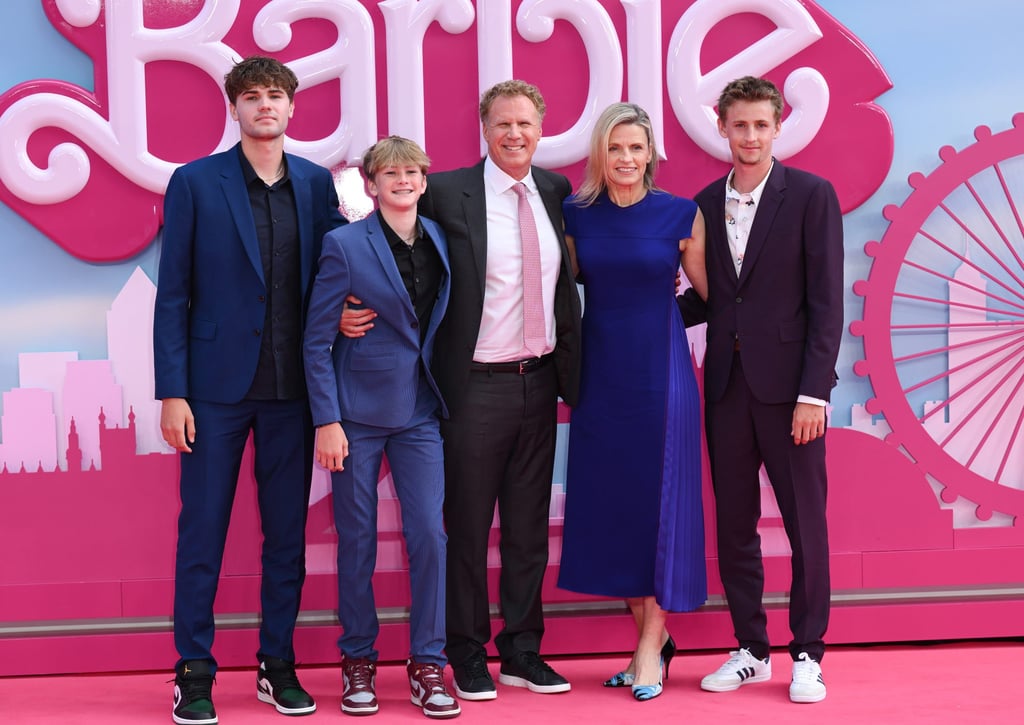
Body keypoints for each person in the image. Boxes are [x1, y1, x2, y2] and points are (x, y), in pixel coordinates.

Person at [342, 80, 582, 701]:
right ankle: (467, 653)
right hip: (472, 386)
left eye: (524, 124)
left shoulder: (556, 190)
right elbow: (375, 232)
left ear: (540, 129)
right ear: (484, 128)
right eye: (502, 123)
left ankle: (522, 651)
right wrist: (340, 300)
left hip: (540, 380)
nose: (514, 134)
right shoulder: (446, 190)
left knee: (528, 528)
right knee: (467, 529)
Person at [154, 55, 346, 725]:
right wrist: (172, 390)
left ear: (292, 107)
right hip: (212, 393)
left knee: (286, 538)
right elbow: (173, 293)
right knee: (201, 534)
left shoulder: (316, 184)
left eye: (275, 95)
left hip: (293, 392)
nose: (265, 105)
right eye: (253, 96)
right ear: (234, 108)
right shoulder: (194, 182)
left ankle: (276, 664)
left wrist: (351, 312)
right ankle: (194, 671)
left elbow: (336, 271)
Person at [693, 76, 843, 704]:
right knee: (735, 528)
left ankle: (808, 653)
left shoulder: (811, 195)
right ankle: (751, 650)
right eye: (740, 125)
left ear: (778, 127)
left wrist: (815, 393)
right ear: (722, 128)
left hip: (791, 395)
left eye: (761, 125)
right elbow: (709, 299)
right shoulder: (703, 202)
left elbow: (826, 303)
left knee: (806, 526)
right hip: (726, 390)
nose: (750, 136)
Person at [302, 136, 460, 719]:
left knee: (430, 537)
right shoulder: (344, 245)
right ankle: (358, 659)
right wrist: (328, 420)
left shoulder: (439, 237)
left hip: (420, 410)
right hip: (357, 417)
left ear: (424, 180)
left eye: (412, 171)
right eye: (390, 173)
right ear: (371, 184)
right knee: (358, 542)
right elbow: (316, 341)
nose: (402, 180)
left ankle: (428, 662)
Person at [556, 102, 708, 702]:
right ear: (600, 153)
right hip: (601, 377)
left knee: (659, 503)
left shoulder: (680, 214)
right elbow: (564, 290)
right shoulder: (575, 215)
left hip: (661, 374)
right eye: (615, 147)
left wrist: (664, 313)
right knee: (616, 506)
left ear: (651, 155)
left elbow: (712, 294)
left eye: (636, 148)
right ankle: (654, 641)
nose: (625, 158)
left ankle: (649, 646)